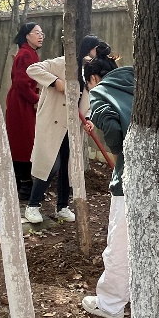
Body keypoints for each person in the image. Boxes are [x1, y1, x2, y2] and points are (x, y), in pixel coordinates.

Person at [23, 35, 106, 225]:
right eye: (95, 50)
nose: (95, 55)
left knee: (69, 167)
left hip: (73, 126)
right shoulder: (61, 64)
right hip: (52, 122)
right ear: (88, 49)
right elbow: (32, 69)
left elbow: (91, 99)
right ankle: (33, 205)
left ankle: (62, 206)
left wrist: (89, 119)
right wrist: (55, 82)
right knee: (52, 164)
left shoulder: (90, 72)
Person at [80, 52, 133, 318]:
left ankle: (111, 304)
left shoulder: (100, 91)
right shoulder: (138, 79)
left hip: (132, 177)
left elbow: (112, 130)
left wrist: (118, 149)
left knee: (120, 243)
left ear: (92, 78)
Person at [5, 22, 44, 199]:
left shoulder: (30, 53)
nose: (40, 35)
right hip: (22, 103)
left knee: (25, 142)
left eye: (41, 33)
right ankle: (24, 186)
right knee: (23, 142)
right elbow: (21, 83)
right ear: (27, 35)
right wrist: (36, 99)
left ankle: (23, 184)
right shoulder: (25, 54)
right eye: (36, 32)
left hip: (26, 101)